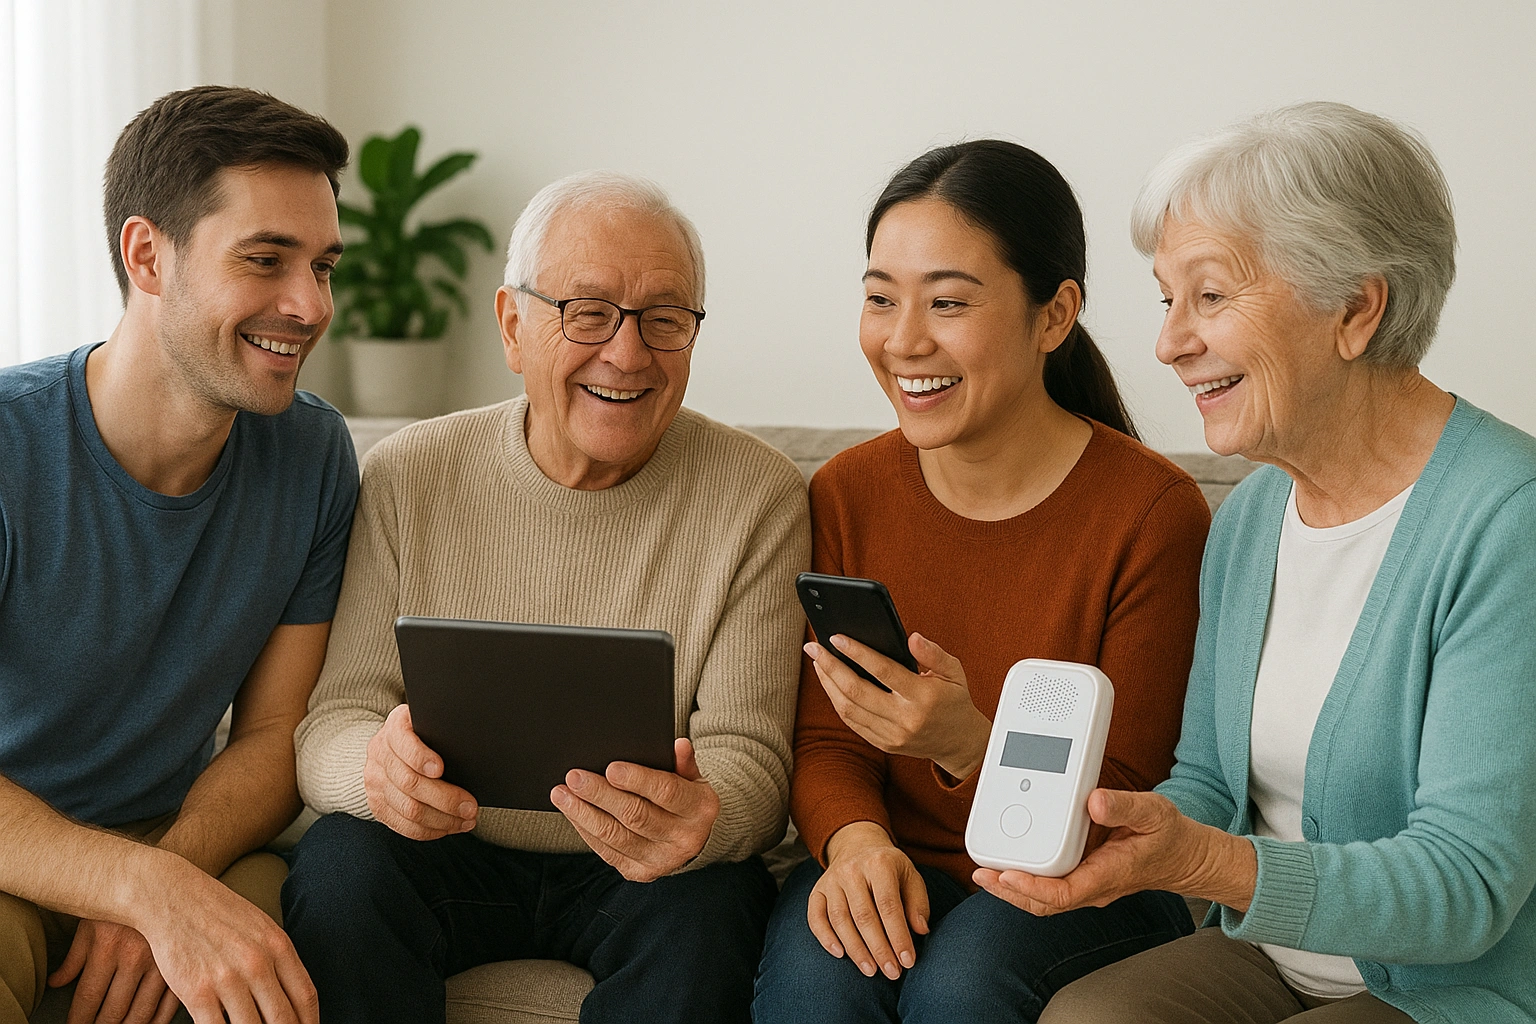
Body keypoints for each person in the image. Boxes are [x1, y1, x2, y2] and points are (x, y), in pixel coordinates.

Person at [983, 103, 1536, 1024]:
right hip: (1271, 957)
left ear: (1355, 309)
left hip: (1459, 986)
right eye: (1167, 300)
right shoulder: (1250, 518)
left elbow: (1466, 885)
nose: (1169, 343)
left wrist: (1206, 862)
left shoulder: (1508, 520)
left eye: (1209, 296)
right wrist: (1117, 836)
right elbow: (1206, 780)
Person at [282, 171, 810, 1024]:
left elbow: (752, 756)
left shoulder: (760, 495)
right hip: (443, 847)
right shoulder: (408, 474)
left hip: (644, 872)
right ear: (512, 326)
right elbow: (334, 719)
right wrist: (376, 770)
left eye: (664, 319)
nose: (627, 354)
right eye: (588, 313)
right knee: (341, 868)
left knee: (716, 907)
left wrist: (698, 819)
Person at [751, 141, 1212, 1024]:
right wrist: (855, 846)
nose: (904, 340)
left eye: (949, 302)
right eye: (881, 298)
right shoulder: (846, 493)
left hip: (1088, 875)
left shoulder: (1152, 513)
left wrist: (969, 744)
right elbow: (828, 738)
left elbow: (1132, 798)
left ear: (1055, 315)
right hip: (893, 853)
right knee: (819, 982)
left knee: (961, 986)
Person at [0, 86, 356, 1024]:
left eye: (323, 266)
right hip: (12, 851)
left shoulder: (313, 454)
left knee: (286, 960)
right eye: (266, 260)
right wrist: (140, 889)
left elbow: (275, 733)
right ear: (147, 255)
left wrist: (173, 875)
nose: (310, 305)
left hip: (181, 833)